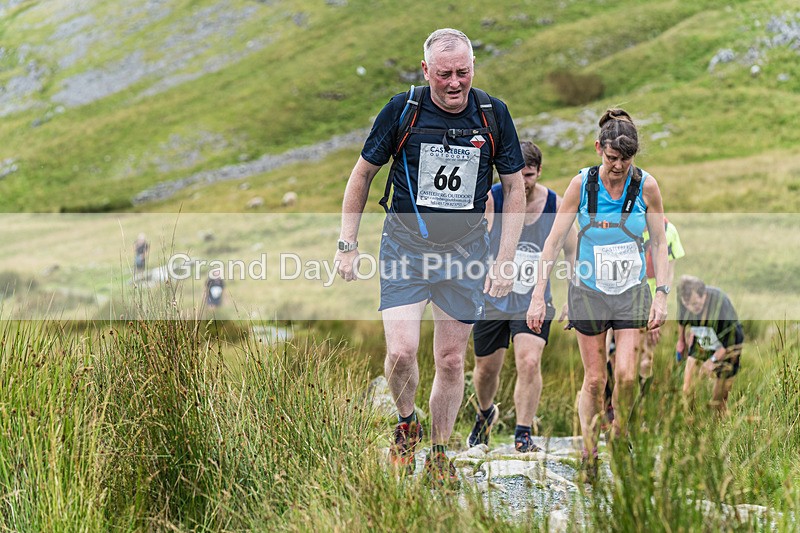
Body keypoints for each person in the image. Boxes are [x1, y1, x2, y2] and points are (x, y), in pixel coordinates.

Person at [335, 28, 526, 486]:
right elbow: (362, 174)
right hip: (405, 248)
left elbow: (515, 186)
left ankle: (440, 454)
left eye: (463, 72)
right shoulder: (404, 110)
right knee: (401, 352)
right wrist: (347, 242)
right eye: (445, 74)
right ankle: (406, 423)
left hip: (464, 254)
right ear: (427, 71)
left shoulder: (492, 114)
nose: (455, 82)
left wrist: (504, 259)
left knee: (451, 360)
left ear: (473, 69)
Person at [527, 108, 668, 482]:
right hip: (588, 291)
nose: (618, 166)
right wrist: (538, 295)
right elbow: (553, 241)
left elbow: (659, 241)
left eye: (625, 159)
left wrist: (662, 295)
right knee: (594, 380)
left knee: (624, 375)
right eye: (611, 158)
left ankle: (619, 434)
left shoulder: (647, 186)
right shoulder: (581, 186)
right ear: (598, 149)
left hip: (632, 291)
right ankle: (589, 453)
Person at [468, 141, 577, 453]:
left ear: (539, 172)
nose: (523, 182)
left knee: (529, 361)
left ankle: (523, 433)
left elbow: (573, 252)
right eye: (517, 174)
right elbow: (478, 237)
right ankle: (485, 413)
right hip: (492, 297)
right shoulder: (493, 197)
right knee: (486, 369)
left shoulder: (555, 206)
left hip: (534, 299)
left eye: (529, 175)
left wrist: (574, 294)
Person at [604, 217, 685, 422]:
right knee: (605, 353)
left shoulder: (668, 230)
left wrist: (657, 305)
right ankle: (608, 407)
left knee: (645, 359)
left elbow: (669, 272)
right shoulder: (623, 222)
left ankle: (634, 411)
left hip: (649, 301)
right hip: (618, 296)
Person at [676, 275, 743, 414]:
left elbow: (729, 345)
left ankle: (717, 427)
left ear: (704, 295)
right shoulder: (685, 298)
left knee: (717, 402)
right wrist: (681, 340)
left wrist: (711, 362)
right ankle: (689, 421)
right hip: (703, 338)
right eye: (687, 305)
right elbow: (682, 319)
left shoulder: (721, 305)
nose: (691, 309)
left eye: (695, 305)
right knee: (687, 390)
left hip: (727, 345)